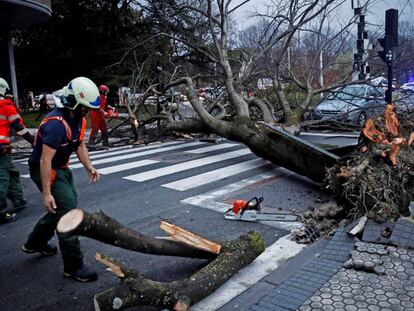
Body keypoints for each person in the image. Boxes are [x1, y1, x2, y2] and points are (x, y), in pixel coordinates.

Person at [22, 77, 101, 282]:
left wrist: (89, 167)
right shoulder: (56, 124)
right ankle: (74, 266)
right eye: (84, 108)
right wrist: (47, 193)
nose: (87, 112)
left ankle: (35, 242)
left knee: (61, 208)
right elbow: (44, 161)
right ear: (73, 102)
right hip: (45, 168)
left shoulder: (79, 120)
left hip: (61, 168)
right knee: (68, 212)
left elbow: (79, 145)